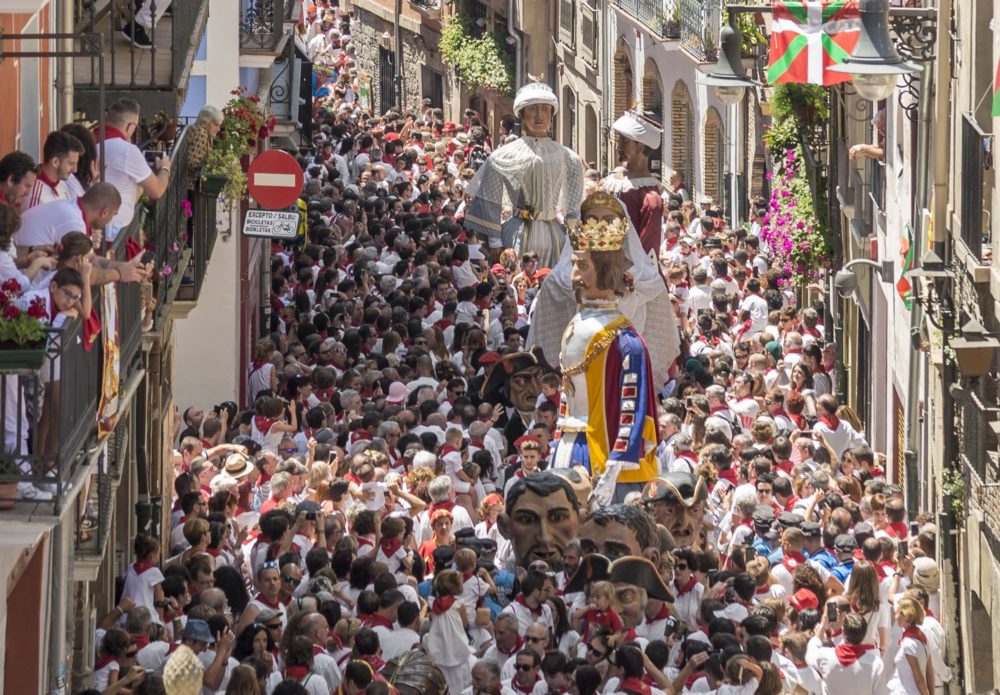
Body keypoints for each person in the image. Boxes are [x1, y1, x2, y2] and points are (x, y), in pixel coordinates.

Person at [546, 192, 661, 504]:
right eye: (574, 265)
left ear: (606, 270)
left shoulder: (627, 342)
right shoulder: (575, 324)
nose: (574, 276)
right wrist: (556, 446)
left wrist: (615, 466)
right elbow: (567, 396)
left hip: (607, 462)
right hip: (567, 451)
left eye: (583, 266)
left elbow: (633, 409)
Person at [464, 80, 584, 268]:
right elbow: (489, 198)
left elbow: (574, 207)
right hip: (516, 234)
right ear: (521, 114)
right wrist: (495, 242)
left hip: (555, 237)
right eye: (532, 109)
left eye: (545, 109)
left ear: (552, 115)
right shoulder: (504, 155)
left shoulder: (569, 158)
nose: (539, 116)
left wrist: (574, 243)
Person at [97, 98, 171, 239]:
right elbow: (157, 191)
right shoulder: (127, 151)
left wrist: (140, 185)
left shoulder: (91, 140)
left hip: (94, 231)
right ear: (130, 126)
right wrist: (165, 168)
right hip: (114, 235)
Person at [602, 110, 664, 261]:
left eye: (624, 141)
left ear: (640, 147)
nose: (618, 147)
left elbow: (647, 252)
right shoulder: (611, 180)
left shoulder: (650, 198)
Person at [21, 130, 83, 211]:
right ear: (55, 162)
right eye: (71, 164)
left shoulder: (62, 182)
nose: (75, 170)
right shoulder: (35, 195)